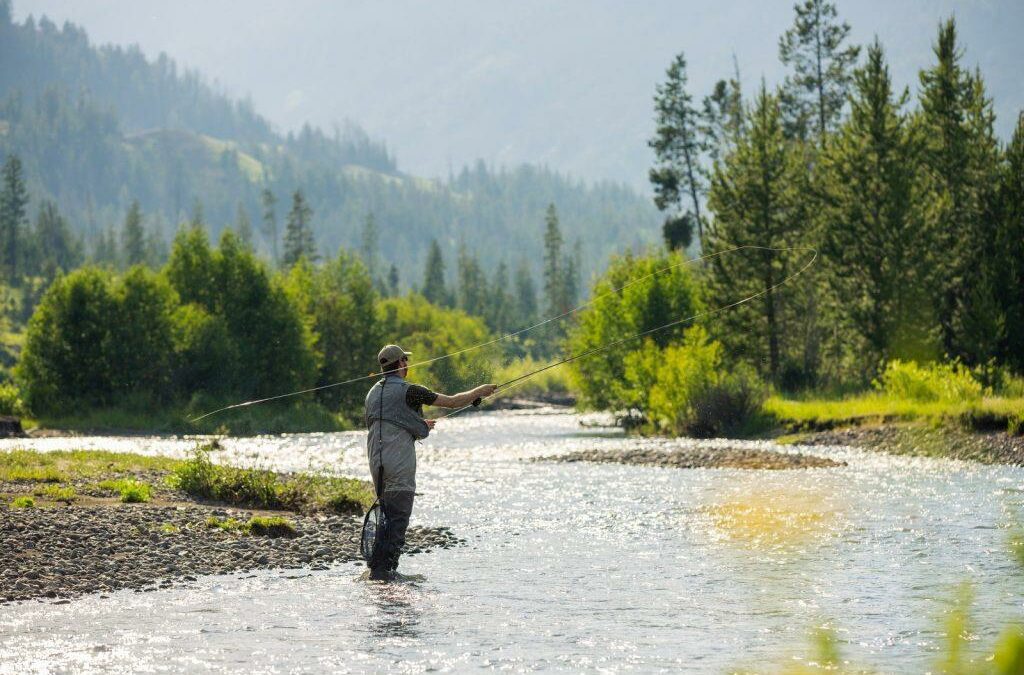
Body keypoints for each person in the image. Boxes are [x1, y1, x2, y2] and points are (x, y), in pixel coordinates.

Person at [364, 343, 496, 580]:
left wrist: (418, 425)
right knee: (398, 520)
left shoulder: (372, 393)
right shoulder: (411, 390)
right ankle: (385, 576)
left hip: (376, 463)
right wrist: (480, 391)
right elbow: (454, 401)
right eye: (406, 360)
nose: (408, 364)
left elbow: (389, 421)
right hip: (399, 465)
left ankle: (378, 571)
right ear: (402, 363)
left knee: (387, 516)